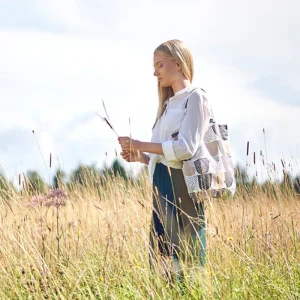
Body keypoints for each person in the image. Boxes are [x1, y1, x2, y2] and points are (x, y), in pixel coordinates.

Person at [118, 39, 211, 281]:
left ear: (178, 64)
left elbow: (185, 148)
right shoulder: (168, 105)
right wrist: (140, 156)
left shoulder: (196, 97)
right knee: (162, 260)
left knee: (187, 260)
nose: (155, 72)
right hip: (161, 184)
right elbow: (163, 154)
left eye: (160, 65)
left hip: (182, 184)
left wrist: (140, 144)